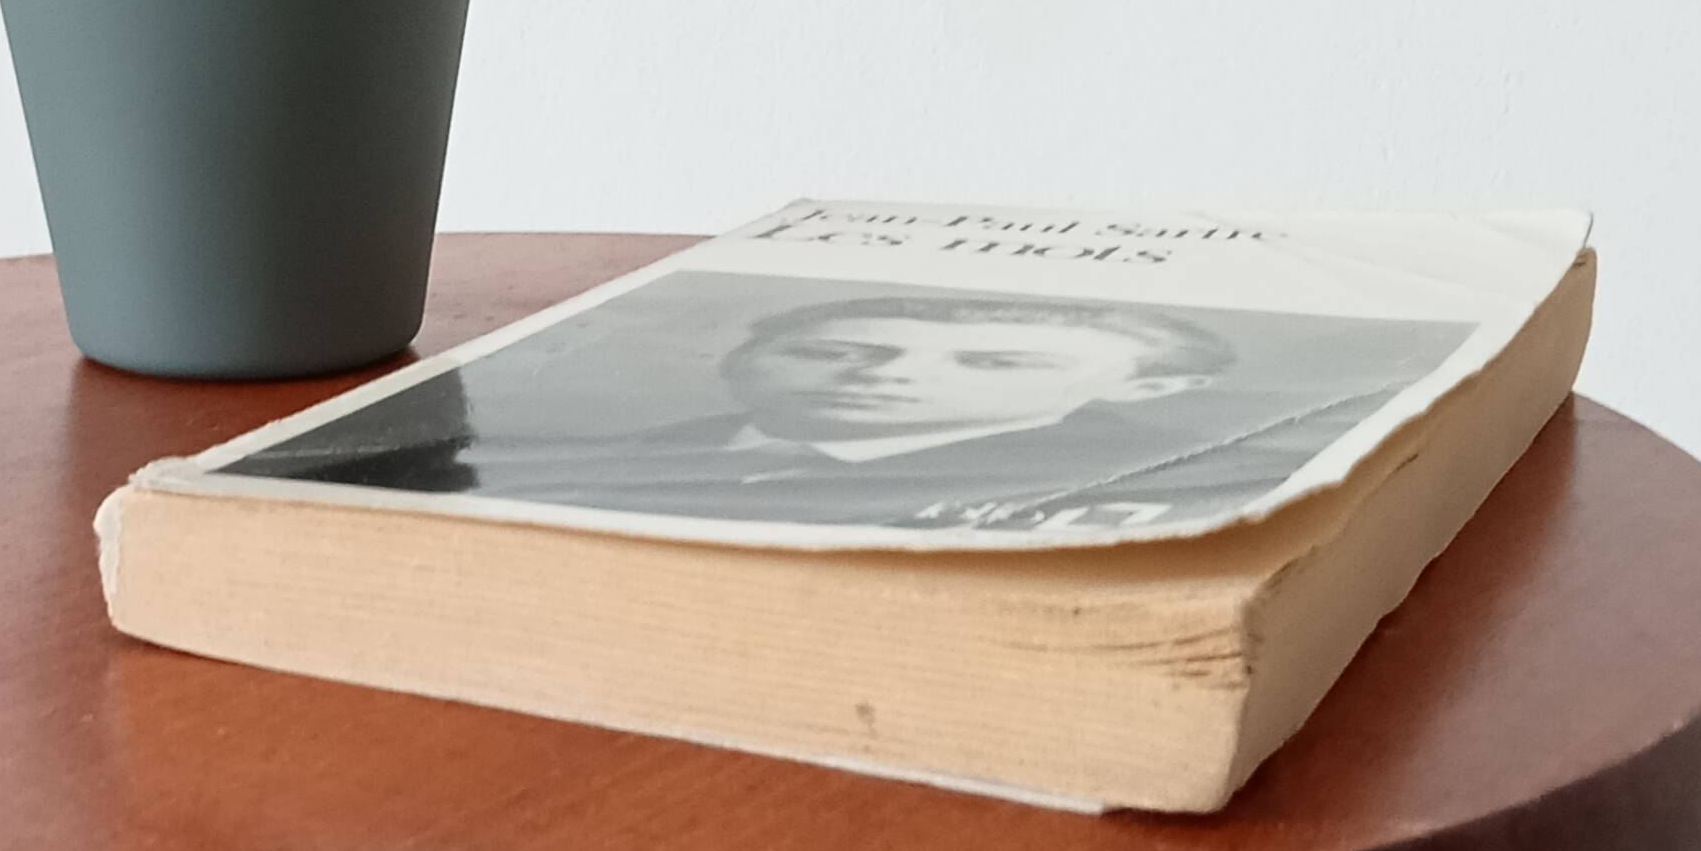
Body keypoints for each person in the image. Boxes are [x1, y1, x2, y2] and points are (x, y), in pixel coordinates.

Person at [242, 294, 1410, 534]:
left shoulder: (1118, 499)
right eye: (837, 346)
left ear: (1143, 389)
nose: (874, 374)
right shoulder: (522, 455)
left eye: (994, 358)